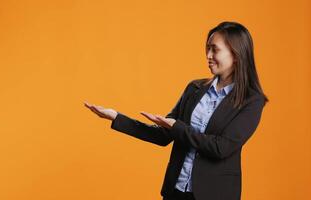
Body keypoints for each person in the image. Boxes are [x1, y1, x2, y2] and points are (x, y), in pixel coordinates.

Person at [84, 21, 268, 200]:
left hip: (215, 194)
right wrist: (116, 117)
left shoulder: (252, 101)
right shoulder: (194, 88)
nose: (208, 55)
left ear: (236, 54)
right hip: (176, 191)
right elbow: (163, 135)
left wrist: (178, 127)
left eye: (215, 49)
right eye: (207, 48)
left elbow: (221, 148)